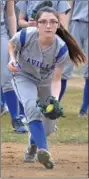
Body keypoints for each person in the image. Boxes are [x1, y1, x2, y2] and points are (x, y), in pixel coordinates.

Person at [7, 7, 86, 169]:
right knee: (31, 108)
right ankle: (45, 151)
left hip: (45, 81)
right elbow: (11, 44)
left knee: (49, 126)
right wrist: (12, 59)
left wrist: (54, 100)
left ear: (58, 25)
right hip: (23, 76)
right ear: (37, 24)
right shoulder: (26, 35)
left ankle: (33, 145)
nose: (48, 25)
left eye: (53, 22)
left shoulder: (61, 48)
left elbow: (56, 80)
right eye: (43, 21)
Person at [1, 0, 28, 133]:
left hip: (1, 31)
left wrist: (14, 39)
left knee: (7, 75)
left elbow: (10, 14)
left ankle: (15, 118)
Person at [58, 0, 89, 118]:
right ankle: (55, 105)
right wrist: (65, 28)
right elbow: (69, 6)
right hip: (76, 23)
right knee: (65, 65)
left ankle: (84, 109)